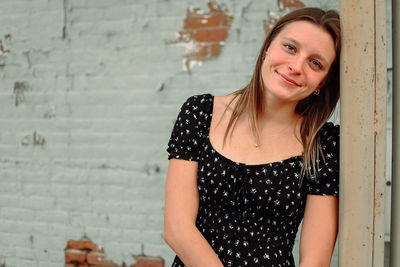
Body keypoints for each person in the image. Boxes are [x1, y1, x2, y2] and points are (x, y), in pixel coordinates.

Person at [164, 7, 340, 267]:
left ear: (322, 82)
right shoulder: (200, 114)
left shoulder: (322, 144)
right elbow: (176, 228)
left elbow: (315, 261)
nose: (295, 67)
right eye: (290, 48)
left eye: (315, 63)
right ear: (268, 46)